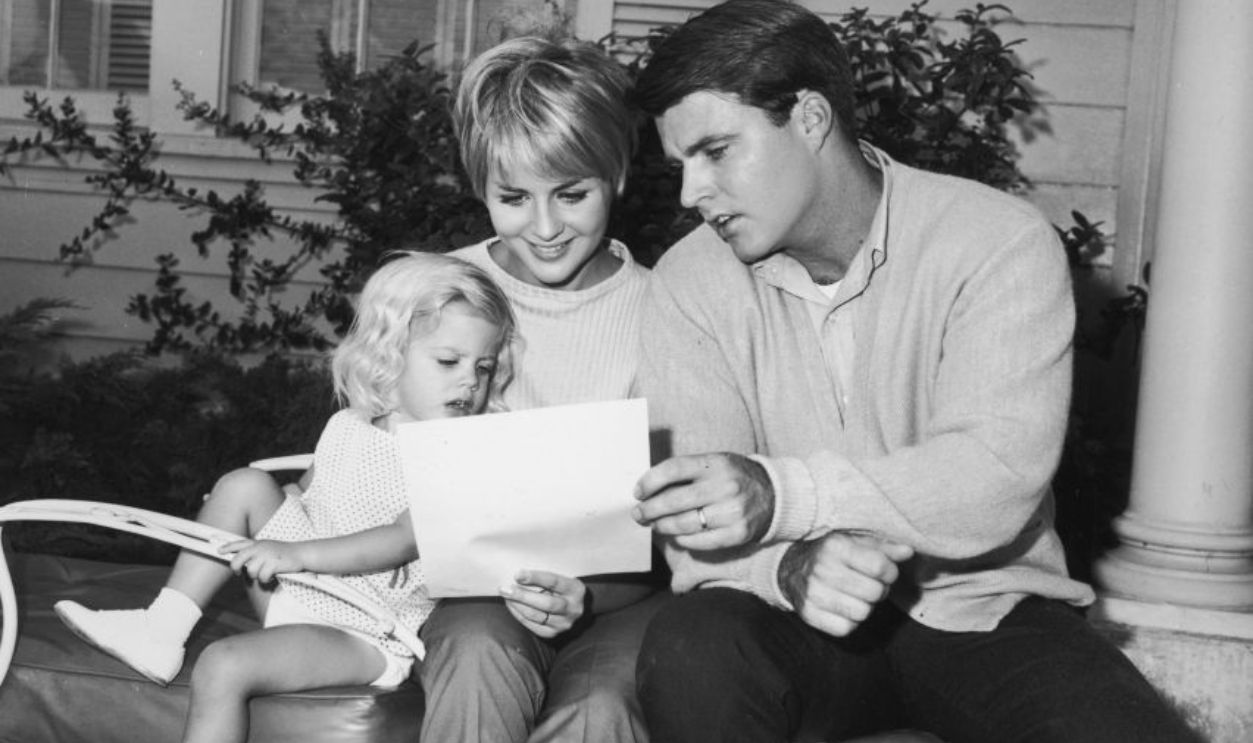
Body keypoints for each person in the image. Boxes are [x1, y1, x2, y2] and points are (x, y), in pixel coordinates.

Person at [628, 2, 1200, 742]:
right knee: (693, 645)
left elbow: (993, 474)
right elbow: (694, 518)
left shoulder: (994, 242)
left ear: (809, 118)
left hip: (984, 609)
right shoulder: (687, 281)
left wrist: (782, 495)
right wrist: (787, 566)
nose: (690, 192)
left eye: (715, 151)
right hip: (795, 614)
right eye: (681, 165)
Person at [53, 251, 518, 743]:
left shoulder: (451, 456)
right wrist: (240, 516)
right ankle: (162, 628)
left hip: (367, 629)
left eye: (484, 367)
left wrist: (294, 554)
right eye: (449, 361)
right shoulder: (350, 424)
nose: (470, 380)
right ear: (391, 353)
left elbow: (402, 539)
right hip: (305, 587)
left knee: (223, 664)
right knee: (243, 485)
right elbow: (308, 495)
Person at [413, 34, 665, 743]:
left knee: (601, 709)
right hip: (478, 594)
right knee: (475, 651)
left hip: (622, 598)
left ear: (616, 176)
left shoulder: (664, 309)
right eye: (514, 197)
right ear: (480, 187)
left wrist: (587, 594)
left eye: (572, 194)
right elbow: (371, 448)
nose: (547, 227)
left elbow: (675, 530)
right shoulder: (438, 291)